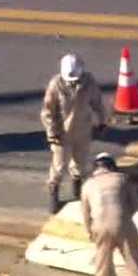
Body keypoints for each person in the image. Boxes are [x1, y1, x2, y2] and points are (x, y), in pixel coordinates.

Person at [40, 53, 106, 214]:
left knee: (80, 163)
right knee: (59, 166)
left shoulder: (89, 82)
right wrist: (52, 132)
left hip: (82, 131)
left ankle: (77, 189)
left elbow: (97, 102)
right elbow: (48, 111)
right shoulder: (56, 85)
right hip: (61, 134)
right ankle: (53, 192)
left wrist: (103, 120)